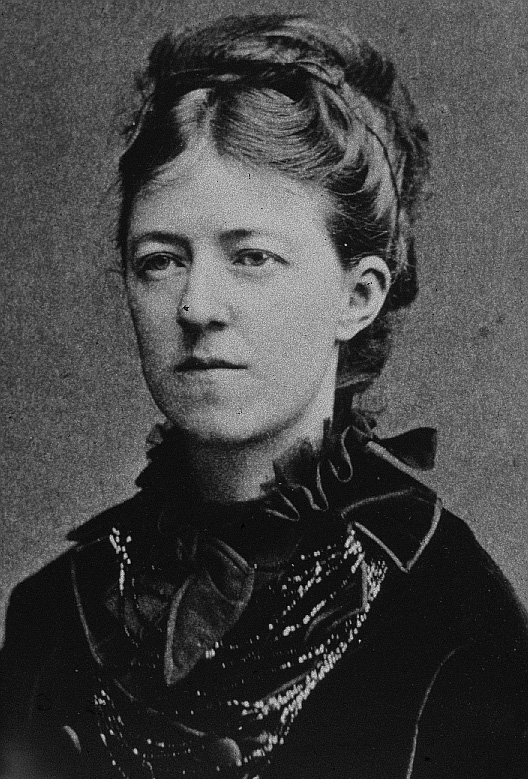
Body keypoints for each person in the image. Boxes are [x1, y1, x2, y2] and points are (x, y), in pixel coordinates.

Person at [1, 12, 527, 779]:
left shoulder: (450, 617)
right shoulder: (55, 614)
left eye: (251, 256)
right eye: (160, 260)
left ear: (358, 295)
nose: (195, 304)